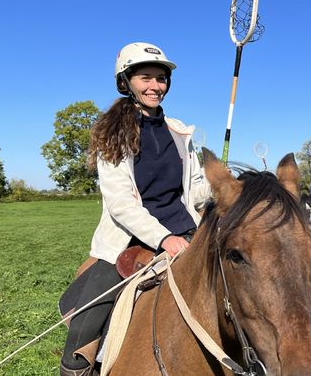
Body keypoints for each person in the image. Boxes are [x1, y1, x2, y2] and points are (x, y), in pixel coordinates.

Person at [59, 42, 211, 376]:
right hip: (129, 243)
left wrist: (218, 185)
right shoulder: (112, 133)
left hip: (188, 233)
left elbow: (194, 187)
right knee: (81, 340)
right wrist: (164, 238)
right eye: (146, 78)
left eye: (161, 78)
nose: (156, 86)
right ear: (126, 81)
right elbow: (120, 204)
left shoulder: (180, 133)